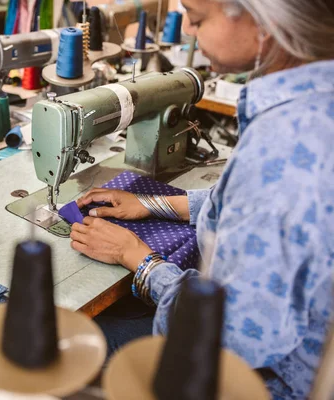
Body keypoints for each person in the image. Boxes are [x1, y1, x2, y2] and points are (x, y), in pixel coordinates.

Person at [69, 0, 334, 398]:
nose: (189, 30)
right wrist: (154, 203)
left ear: (264, 18)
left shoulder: (284, 146)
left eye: (196, 16)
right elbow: (243, 201)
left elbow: (230, 336)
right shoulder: (311, 108)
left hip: (259, 384)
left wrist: (138, 259)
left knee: (74, 340)